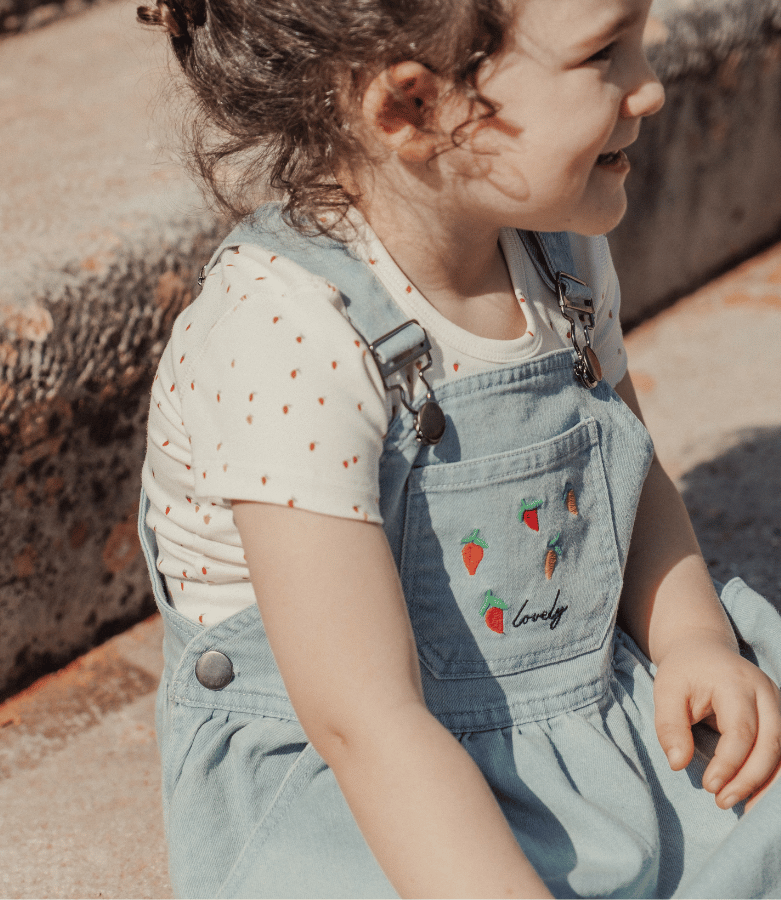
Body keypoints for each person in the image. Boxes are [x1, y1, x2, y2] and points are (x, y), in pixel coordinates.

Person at [136, 0, 781, 896]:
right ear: (414, 109)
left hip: (570, 696)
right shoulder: (285, 337)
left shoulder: (560, 254)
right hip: (369, 776)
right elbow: (366, 722)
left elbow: (627, 477)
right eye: (603, 54)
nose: (651, 89)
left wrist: (692, 639)